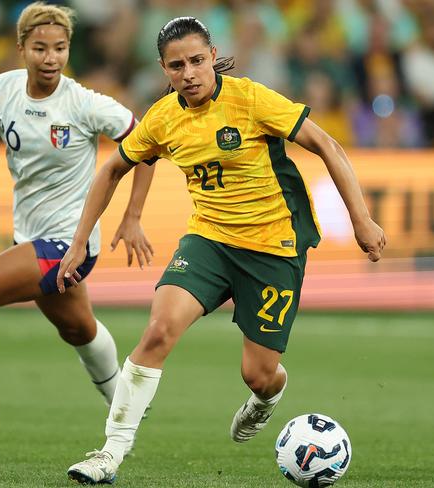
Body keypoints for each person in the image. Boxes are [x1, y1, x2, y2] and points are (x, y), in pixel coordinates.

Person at [58, 16, 386, 484]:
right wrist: (79, 244)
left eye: (196, 60)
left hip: (274, 249)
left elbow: (327, 145)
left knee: (258, 373)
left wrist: (361, 218)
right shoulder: (163, 118)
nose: (188, 72)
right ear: (164, 70)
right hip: (208, 241)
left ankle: (267, 397)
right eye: (177, 65)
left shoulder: (251, 99)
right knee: (157, 332)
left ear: (213, 56)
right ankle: (110, 454)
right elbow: (112, 169)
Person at [0, 2, 155, 442]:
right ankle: (126, 406)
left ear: (69, 50)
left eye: (60, 49)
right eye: (40, 49)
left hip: (70, 245)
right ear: (22, 48)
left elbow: (145, 143)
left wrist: (133, 215)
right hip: (29, 236)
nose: (51, 59)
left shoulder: (84, 103)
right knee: (78, 328)